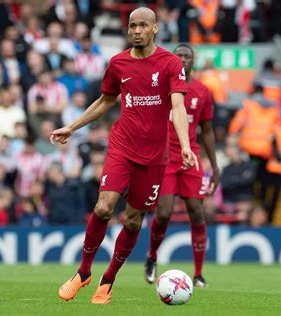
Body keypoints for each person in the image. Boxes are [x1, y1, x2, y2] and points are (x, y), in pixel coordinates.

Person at [51, 7, 196, 305]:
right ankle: (83, 272)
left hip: (155, 156)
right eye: (132, 26)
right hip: (122, 146)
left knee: (132, 221)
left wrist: (184, 145)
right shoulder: (117, 63)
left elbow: (178, 107)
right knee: (103, 207)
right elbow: (106, 100)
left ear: (155, 28)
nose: (137, 31)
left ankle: (108, 280)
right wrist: (73, 126)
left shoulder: (169, 63)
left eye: (143, 25)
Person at [143, 44, 219, 288]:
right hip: (163, 159)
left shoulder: (203, 92)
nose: (184, 60)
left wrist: (215, 167)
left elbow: (206, 131)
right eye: (179, 56)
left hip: (190, 158)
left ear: (193, 61)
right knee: (163, 212)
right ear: (172, 60)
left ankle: (198, 274)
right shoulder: (160, 86)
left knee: (197, 211)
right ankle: (152, 256)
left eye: (188, 56)